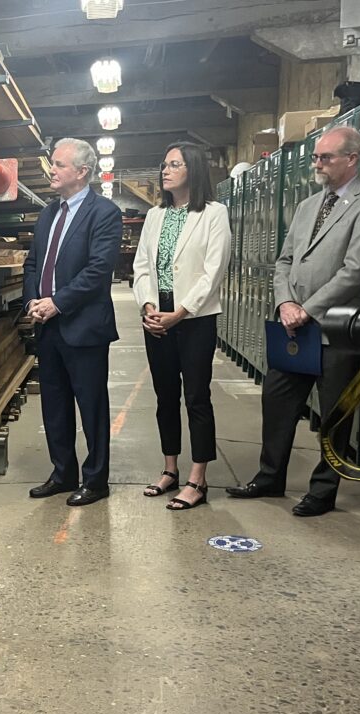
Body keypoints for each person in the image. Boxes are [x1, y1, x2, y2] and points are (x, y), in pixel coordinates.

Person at [227, 125, 360, 516]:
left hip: (335, 329)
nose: (316, 164)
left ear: (351, 159)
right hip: (292, 326)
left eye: (324, 157)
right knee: (277, 399)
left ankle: (323, 490)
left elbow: (357, 270)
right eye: (315, 157)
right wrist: (285, 304)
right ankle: (269, 477)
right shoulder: (306, 206)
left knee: (334, 413)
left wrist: (307, 309)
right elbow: (283, 261)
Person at [132, 142, 232, 510]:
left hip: (194, 322)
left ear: (193, 169)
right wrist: (148, 305)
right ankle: (170, 469)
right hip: (157, 320)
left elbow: (214, 271)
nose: (166, 170)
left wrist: (181, 312)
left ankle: (198, 478)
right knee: (164, 397)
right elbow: (142, 266)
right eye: (164, 164)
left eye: (174, 164)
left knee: (196, 398)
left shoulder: (213, 214)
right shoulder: (155, 215)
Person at [23, 137, 122, 507]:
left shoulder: (104, 213)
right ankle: (62, 473)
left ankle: (96, 480)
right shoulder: (49, 213)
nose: (52, 169)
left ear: (81, 172)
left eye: (60, 164)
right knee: (55, 403)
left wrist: (57, 303)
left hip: (83, 327)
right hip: (47, 326)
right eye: (53, 163)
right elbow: (32, 262)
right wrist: (33, 299)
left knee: (91, 405)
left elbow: (98, 270)